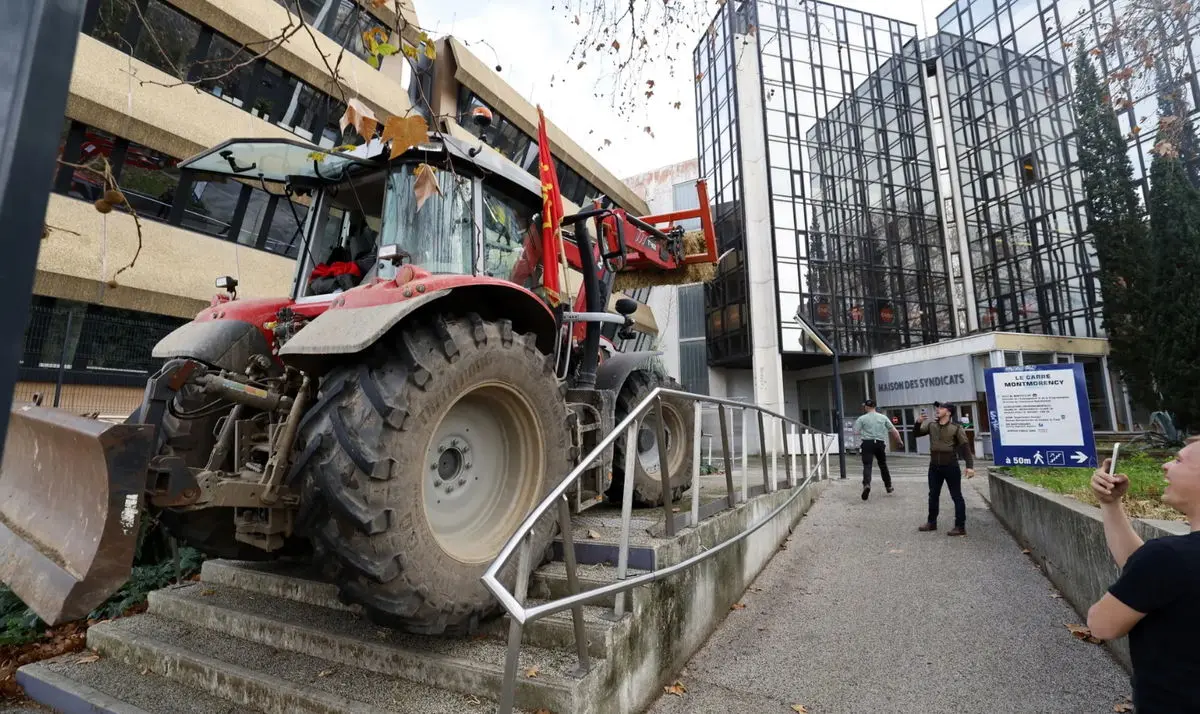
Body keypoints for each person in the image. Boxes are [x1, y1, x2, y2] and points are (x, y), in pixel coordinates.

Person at [1086, 437, 1200, 712]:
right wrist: (1111, 505)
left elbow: (1102, 625)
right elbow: (1153, 575)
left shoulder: (1167, 557)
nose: (1165, 465)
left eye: (1179, 460)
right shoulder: (1171, 560)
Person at [915, 401, 974, 536]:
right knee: (933, 495)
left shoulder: (956, 428)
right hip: (934, 466)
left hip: (950, 466)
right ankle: (931, 523)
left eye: (941, 408)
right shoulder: (932, 426)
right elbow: (916, 434)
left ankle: (960, 527)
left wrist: (970, 466)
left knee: (956, 496)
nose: (938, 410)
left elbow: (965, 448)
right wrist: (918, 422)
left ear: (948, 412)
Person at [853, 399, 901, 500]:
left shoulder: (862, 418)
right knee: (883, 464)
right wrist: (899, 441)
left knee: (867, 465)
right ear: (875, 407)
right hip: (879, 443)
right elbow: (894, 431)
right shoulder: (883, 417)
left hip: (867, 443)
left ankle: (866, 485)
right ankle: (888, 486)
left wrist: (864, 433)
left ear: (866, 407)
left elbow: (855, 432)